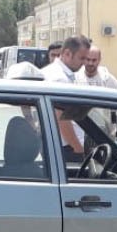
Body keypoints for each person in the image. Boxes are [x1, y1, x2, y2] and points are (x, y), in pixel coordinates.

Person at [41, 34, 90, 162]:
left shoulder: (52, 72)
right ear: (67, 53)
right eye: (81, 58)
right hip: (66, 148)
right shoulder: (60, 79)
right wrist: (77, 148)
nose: (84, 63)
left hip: (57, 146)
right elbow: (61, 119)